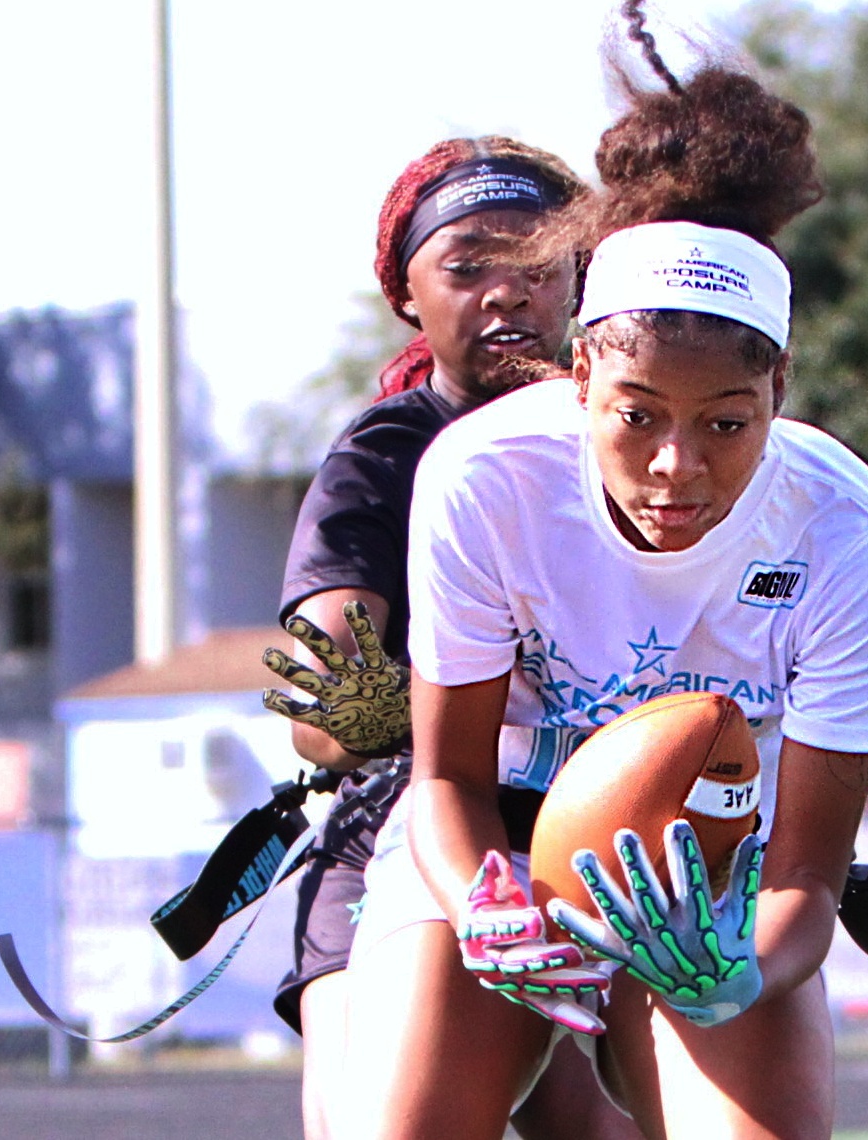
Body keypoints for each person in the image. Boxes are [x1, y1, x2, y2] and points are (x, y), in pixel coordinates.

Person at [337, 6, 868, 1137]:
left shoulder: (858, 539)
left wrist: (739, 975)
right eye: (636, 416)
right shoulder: (482, 477)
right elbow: (448, 784)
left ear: (781, 392)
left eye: (725, 423)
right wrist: (484, 910)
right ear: (576, 384)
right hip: (502, 848)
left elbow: (804, 876)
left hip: (711, 882)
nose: (676, 468)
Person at [258, 136, 639, 1140]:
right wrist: (394, 713)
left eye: (535, 264)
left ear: (582, 281)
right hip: (409, 823)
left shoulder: (651, 439)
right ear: (407, 297)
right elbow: (326, 709)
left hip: (600, 831)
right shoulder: (385, 456)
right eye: (466, 266)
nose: (504, 294)